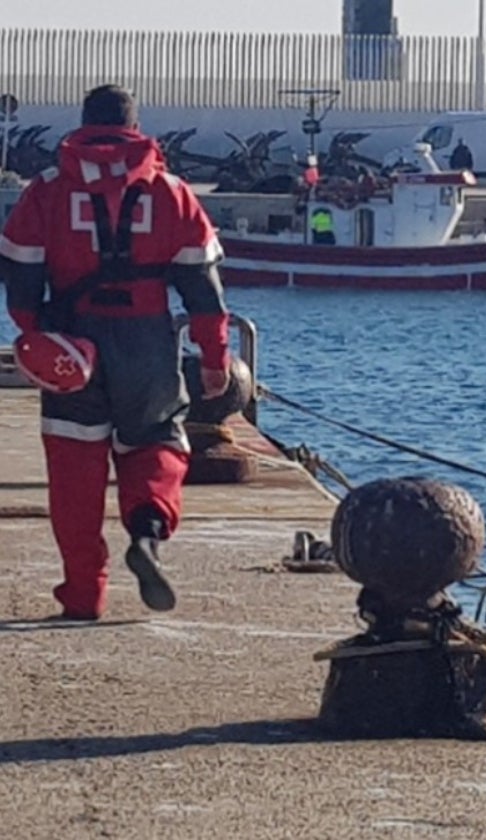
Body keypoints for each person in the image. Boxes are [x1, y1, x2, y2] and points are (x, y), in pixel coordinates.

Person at [0, 84, 230, 621]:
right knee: (155, 444)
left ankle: (84, 595)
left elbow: (21, 273)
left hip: (73, 341)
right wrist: (215, 359)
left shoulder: (49, 189)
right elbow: (203, 288)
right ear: (135, 125)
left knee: (74, 469)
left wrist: (37, 334)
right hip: (147, 340)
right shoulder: (172, 191)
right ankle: (147, 534)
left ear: (83, 123)